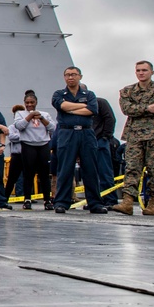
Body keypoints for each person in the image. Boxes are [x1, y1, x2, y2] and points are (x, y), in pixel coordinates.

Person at [113, 60, 154, 215]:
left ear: (152, 72)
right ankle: (127, 202)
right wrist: (146, 108)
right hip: (134, 136)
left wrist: (138, 108)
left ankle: (153, 204)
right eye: (138, 70)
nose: (141, 73)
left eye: (144, 70)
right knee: (131, 169)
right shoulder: (127, 91)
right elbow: (126, 109)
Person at [51, 67, 106, 214]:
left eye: (74, 75)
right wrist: (82, 106)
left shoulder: (89, 94)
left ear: (80, 76)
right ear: (64, 77)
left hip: (86, 133)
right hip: (66, 133)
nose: (71, 77)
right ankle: (61, 202)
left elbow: (92, 109)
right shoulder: (58, 94)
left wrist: (69, 109)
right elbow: (61, 105)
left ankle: (95, 203)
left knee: (90, 169)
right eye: (68, 75)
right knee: (65, 169)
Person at [14, 91, 55, 210]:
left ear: (36, 102)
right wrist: (29, 116)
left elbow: (53, 128)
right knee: (28, 173)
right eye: (27, 103)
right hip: (28, 145)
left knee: (44, 174)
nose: (29, 105)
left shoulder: (44, 114)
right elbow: (19, 126)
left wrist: (41, 118)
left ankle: (47, 200)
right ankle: (27, 199)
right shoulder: (20, 114)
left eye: (32, 102)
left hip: (43, 145)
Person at [92, 96, 119, 207]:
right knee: (91, 174)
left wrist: (105, 136)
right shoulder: (79, 106)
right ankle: (95, 200)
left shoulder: (100, 102)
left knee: (104, 171)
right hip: (87, 142)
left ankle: (110, 200)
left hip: (100, 141)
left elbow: (110, 118)